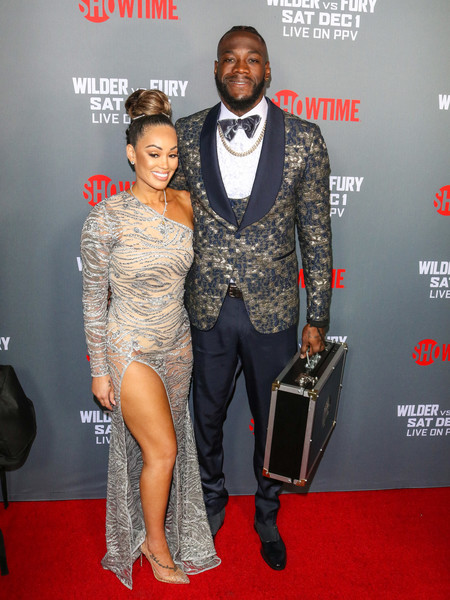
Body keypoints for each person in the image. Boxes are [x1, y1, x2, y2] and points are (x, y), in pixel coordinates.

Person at [171, 26, 332, 570]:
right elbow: (170, 222)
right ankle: (211, 503)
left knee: (274, 421)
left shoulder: (304, 138)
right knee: (206, 416)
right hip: (206, 308)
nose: (240, 67)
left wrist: (318, 316)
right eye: (230, 58)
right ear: (216, 69)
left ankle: (267, 513)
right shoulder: (186, 133)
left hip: (275, 313)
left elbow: (316, 234)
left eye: (252, 58)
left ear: (267, 70)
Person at [81, 89, 220, 589]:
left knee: (163, 450)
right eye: (153, 153)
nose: (164, 164)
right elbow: (93, 300)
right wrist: (100, 369)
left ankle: (155, 527)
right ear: (131, 153)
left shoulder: (187, 204)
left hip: (178, 345)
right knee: (162, 450)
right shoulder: (105, 217)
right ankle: (154, 545)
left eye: (172, 154)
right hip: (130, 347)